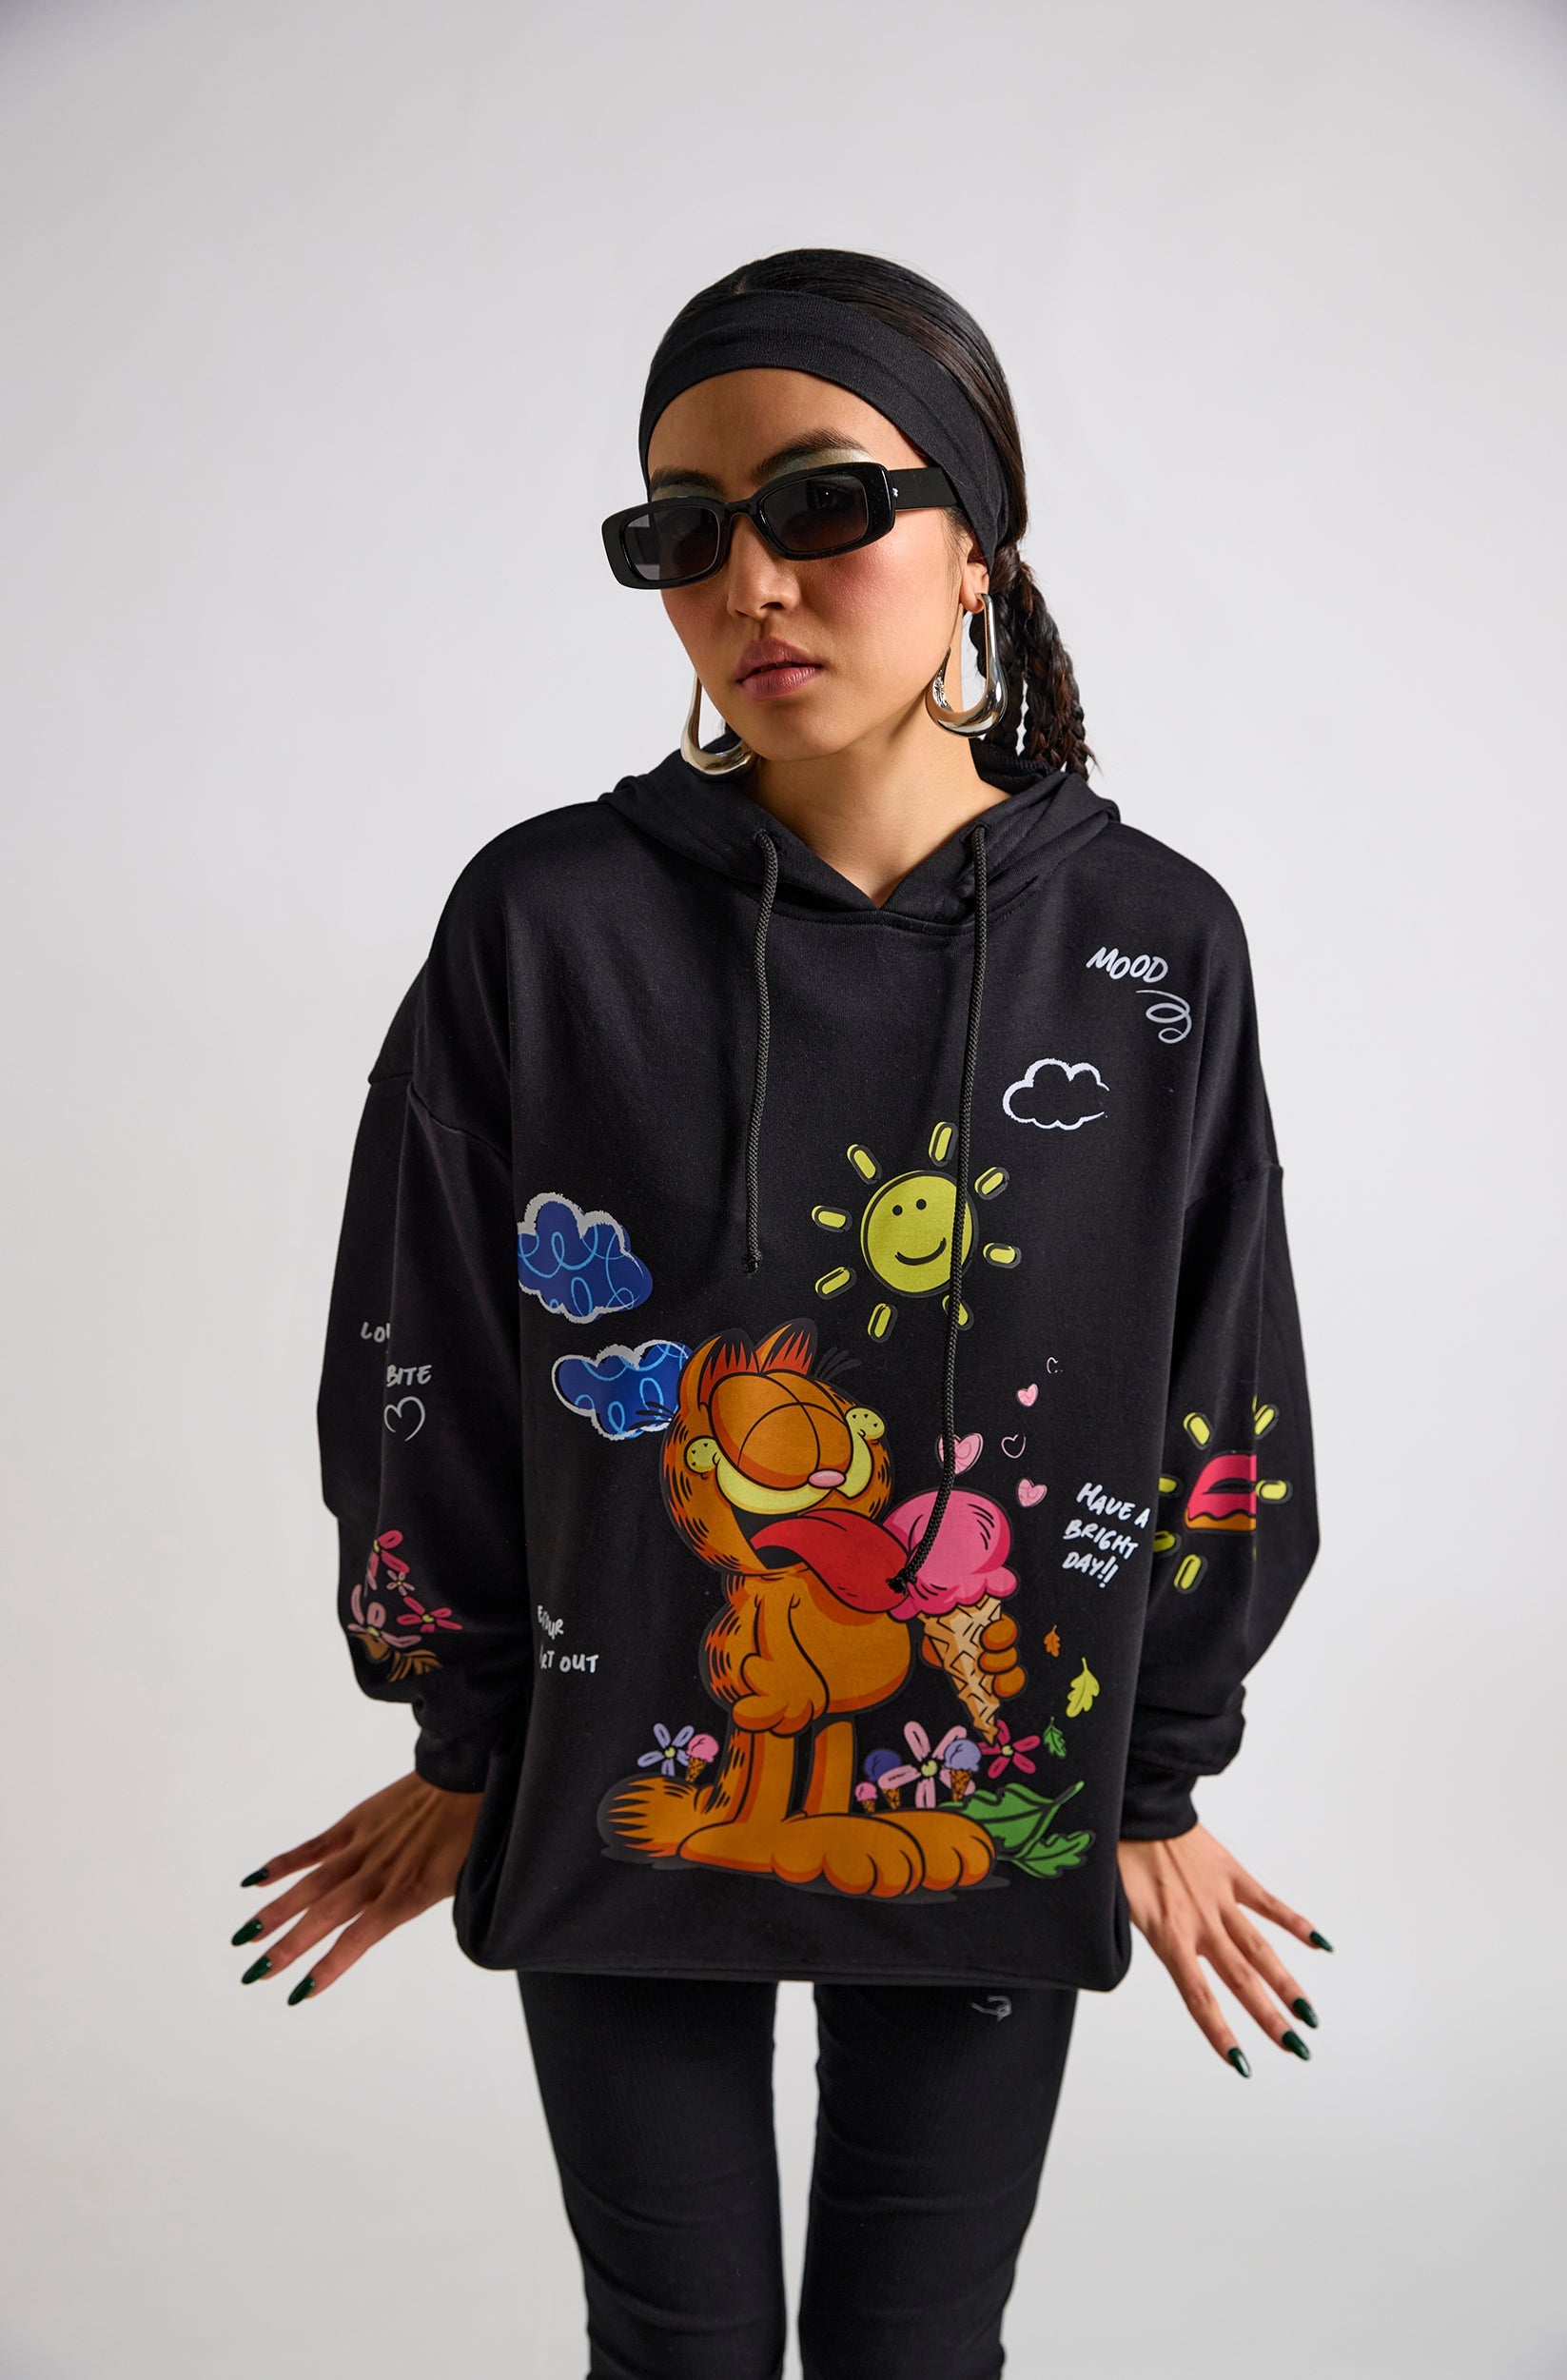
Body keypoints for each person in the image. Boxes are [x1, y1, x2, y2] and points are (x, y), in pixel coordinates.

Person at [233, 248, 1333, 2380]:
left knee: (921, 2351)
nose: (752, 583)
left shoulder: (1153, 945)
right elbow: (419, 1359)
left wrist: (1152, 1773)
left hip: (994, 1799)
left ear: (977, 543)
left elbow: (1226, 1379)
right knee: (678, 2350)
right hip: (616, 1796)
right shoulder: (543, 922)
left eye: (825, 504)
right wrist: (466, 1729)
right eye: (684, 533)